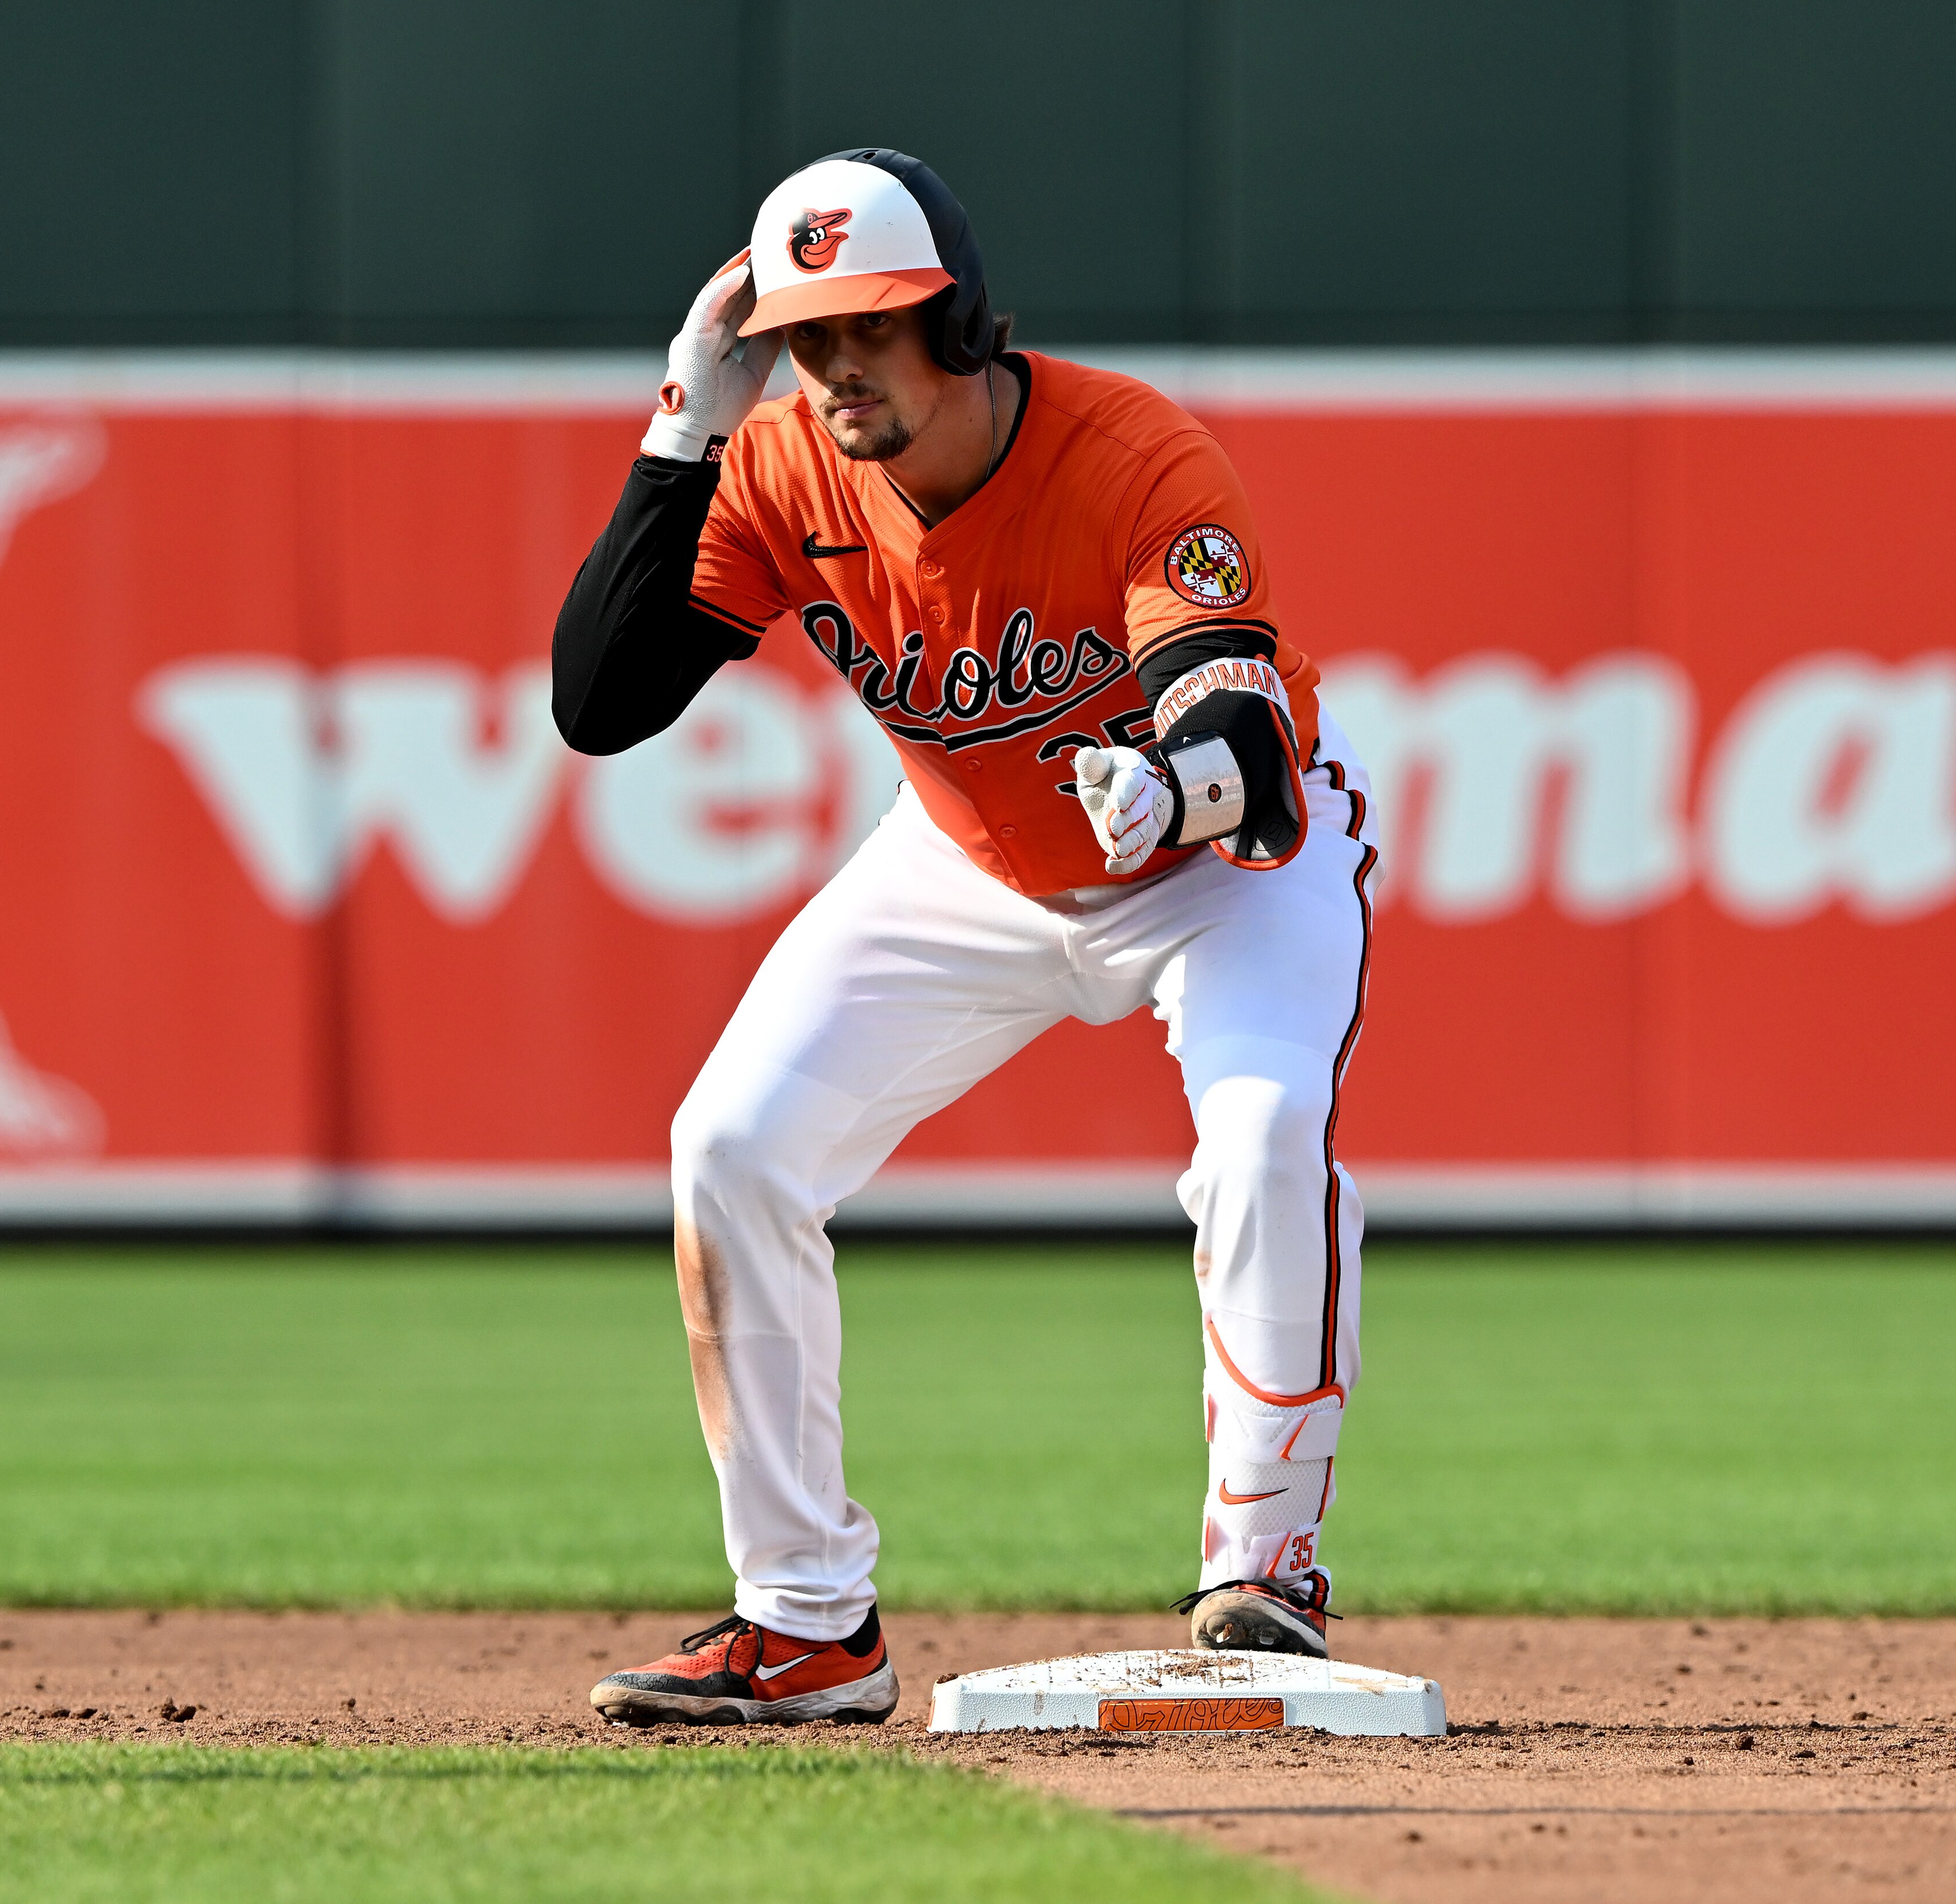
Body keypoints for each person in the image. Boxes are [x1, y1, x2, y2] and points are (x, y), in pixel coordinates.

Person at [552, 150, 1379, 1726]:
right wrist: (684, 429)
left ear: (964, 320)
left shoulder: (1130, 453)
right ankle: (802, 1624)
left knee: (1267, 1133)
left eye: (871, 324)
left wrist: (1176, 785)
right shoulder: (786, 461)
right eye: (805, 335)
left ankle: (1264, 1567)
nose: (837, 365)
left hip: (1215, 866)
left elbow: (1260, 772)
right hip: (964, 862)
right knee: (730, 1142)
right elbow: (601, 703)